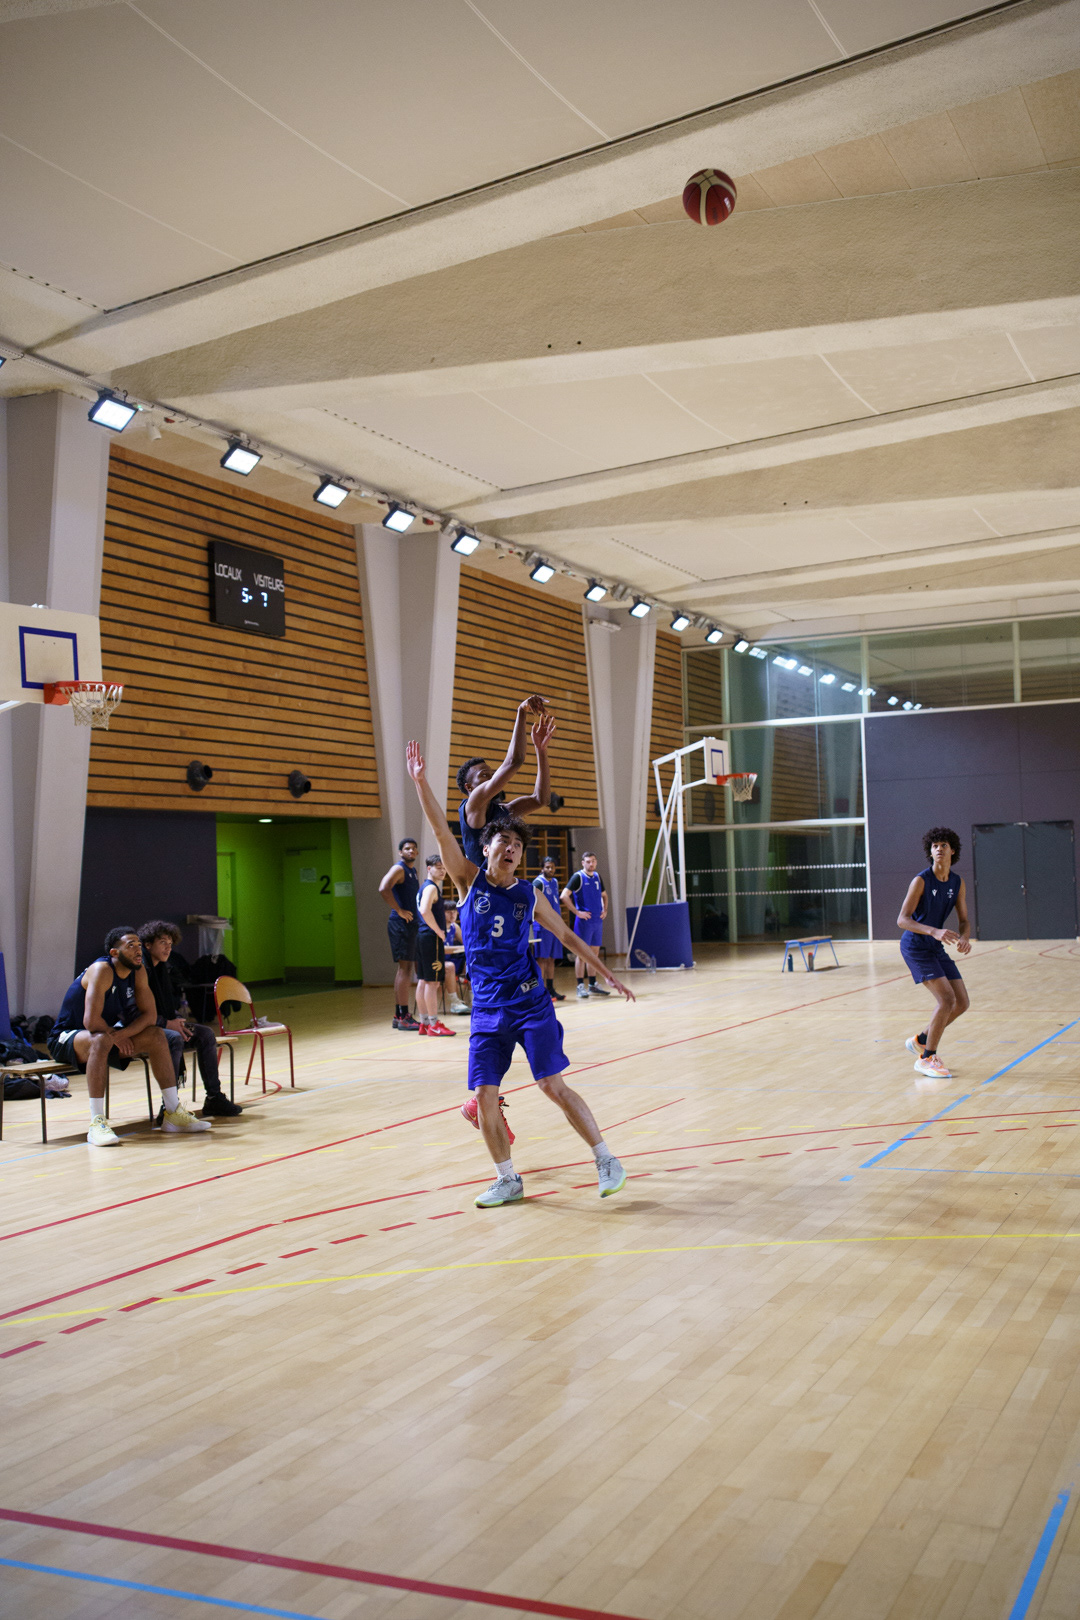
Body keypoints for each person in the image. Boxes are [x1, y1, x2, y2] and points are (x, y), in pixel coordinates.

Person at [407, 739, 634, 1207]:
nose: (511, 849)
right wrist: (420, 782)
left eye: (517, 845)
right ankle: (507, 1179)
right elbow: (439, 828)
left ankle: (606, 1160)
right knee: (483, 1097)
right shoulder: (467, 880)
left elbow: (568, 937)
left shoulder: (530, 895)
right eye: (503, 842)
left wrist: (606, 972)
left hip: (530, 1003)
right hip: (488, 1010)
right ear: (485, 847)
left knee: (552, 1085)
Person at [47, 926, 212, 1146]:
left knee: (157, 1035)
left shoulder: (138, 971)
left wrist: (122, 1034)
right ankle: (97, 1123)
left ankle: (173, 1113)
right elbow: (91, 1022)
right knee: (101, 1039)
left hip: (106, 1036)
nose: (138, 950)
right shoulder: (102, 970)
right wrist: (117, 1036)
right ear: (114, 953)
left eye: (139, 945)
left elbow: (149, 1016)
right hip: (67, 1037)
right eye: (130, 945)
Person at [138, 920, 243, 1117]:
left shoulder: (162, 968)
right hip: (145, 1029)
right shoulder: (140, 970)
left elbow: (168, 1005)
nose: (168, 948)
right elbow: (137, 1012)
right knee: (174, 1039)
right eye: (163, 942)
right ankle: (169, 1106)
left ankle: (214, 1098)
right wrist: (166, 1023)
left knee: (205, 1034)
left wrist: (176, 1019)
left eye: (170, 943)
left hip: (163, 1023)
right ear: (148, 944)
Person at [897, 827, 971, 1079]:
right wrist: (934, 931)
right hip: (916, 946)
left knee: (962, 1003)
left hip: (934, 946)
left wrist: (965, 937)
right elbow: (902, 920)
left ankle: (921, 1039)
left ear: (953, 851)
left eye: (943, 845)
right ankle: (927, 1058)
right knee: (947, 1000)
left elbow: (964, 920)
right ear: (930, 851)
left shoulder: (957, 882)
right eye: (935, 846)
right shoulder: (921, 880)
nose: (939, 849)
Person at [456, 697, 554, 865]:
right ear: (469, 787)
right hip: (480, 881)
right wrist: (521, 711)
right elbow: (514, 761)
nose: (492, 778)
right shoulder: (472, 805)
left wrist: (541, 750)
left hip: (499, 879)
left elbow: (541, 799)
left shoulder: (502, 811)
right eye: (484, 775)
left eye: (492, 774)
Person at [378, 836, 421, 1030]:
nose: (410, 851)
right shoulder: (399, 869)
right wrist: (399, 910)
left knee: (406, 969)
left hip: (410, 924)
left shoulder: (413, 871)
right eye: (407, 848)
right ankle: (403, 1016)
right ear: (400, 852)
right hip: (400, 924)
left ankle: (399, 1016)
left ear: (417, 852)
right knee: (405, 969)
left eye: (413, 848)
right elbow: (383, 888)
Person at [414, 856, 456, 1037]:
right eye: (438, 867)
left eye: (444, 868)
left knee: (423, 981)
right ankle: (434, 1024)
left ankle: (424, 1023)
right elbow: (424, 910)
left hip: (422, 937)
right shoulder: (431, 888)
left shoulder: (424, 887)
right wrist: (439, 930)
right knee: (433, 983)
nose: (442, 871)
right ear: (429, 868)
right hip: (431, 938)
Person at [561, 852, 609, 999]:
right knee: (582, 955)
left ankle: (593, 984)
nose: (591, 864)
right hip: (584, 922)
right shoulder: (578, 877)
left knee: (594, 955)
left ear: (596, 862)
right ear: (583, 863)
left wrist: (605, 910)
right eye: (588, 861)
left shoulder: (597, 876)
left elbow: (604, 895)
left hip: (597, 921)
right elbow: (564, 895)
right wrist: (577, 912)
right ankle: (580, 986)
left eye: (593, 861)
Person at [532, 855, 565, 1001]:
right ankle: (540, 990)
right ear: (542, 869)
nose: (550, 869)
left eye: (552, 867)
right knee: (542, 959)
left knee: (551, 959)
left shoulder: (555, 882)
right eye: (547, 867)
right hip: (542, 926)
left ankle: (551, 989)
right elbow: (532, 903)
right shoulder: (538, 883)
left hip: (554, 926)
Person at [443, 904, 468, 1010]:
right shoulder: (438, 927)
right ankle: (454, 1003)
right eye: (448, 912)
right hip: (437, 961)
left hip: (451, 959)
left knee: (471, 962)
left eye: (454, 912)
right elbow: (442, 949)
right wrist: (462, 948)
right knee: (450, 966)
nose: (452, 915)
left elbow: (466, 943)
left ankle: (474, 998)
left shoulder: (454, 926)